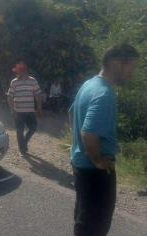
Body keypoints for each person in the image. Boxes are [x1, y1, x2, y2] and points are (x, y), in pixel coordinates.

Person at [69, 44, 139, 236]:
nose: (131, 74)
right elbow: (89, 133)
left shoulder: (89, 84)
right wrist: (99, 161)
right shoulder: (104, 94)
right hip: (95, 172)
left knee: (84, 218)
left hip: (80, 165)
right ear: (116, 64)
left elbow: (72, 114)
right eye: (130, 67)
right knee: (95, 226)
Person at [7, 61, 43, 156]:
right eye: (17, 72)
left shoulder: (33, 81)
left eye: (19, 71)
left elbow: (38, 94)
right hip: (18, 111)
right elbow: (10, 97)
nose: (17, 73)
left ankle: (24, 142)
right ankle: (22, 149)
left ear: (25, 71)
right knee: (19, 131)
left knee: (33, 128)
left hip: (30, 111)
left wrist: (39, 108)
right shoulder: (14, 82)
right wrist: (12, 110)